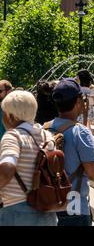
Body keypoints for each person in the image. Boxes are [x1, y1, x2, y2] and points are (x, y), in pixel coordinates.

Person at [49, 79, 94, 226]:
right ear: (78, 101)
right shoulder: (80, 132)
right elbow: (93, 173)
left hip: (48, 204)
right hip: (75, 206)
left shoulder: (43, 128)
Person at [0, 90, 57, 226]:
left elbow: (7, 168)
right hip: (46, 210)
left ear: (11, 117)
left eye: (4, 114)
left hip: (16, 211)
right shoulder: (47, 136)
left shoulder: (13, 136)